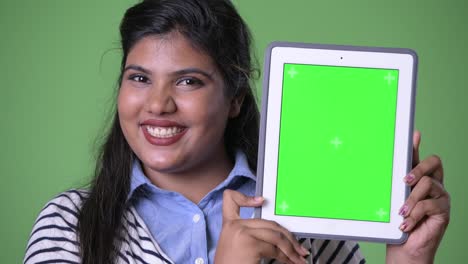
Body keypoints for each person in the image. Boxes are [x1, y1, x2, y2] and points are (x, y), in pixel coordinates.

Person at [23, 0, 450, 263]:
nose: (157, 104)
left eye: (188, 81)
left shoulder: (306, 220)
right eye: (139, 78)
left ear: (235, 100)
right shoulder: (69, 223)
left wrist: (410, 260)